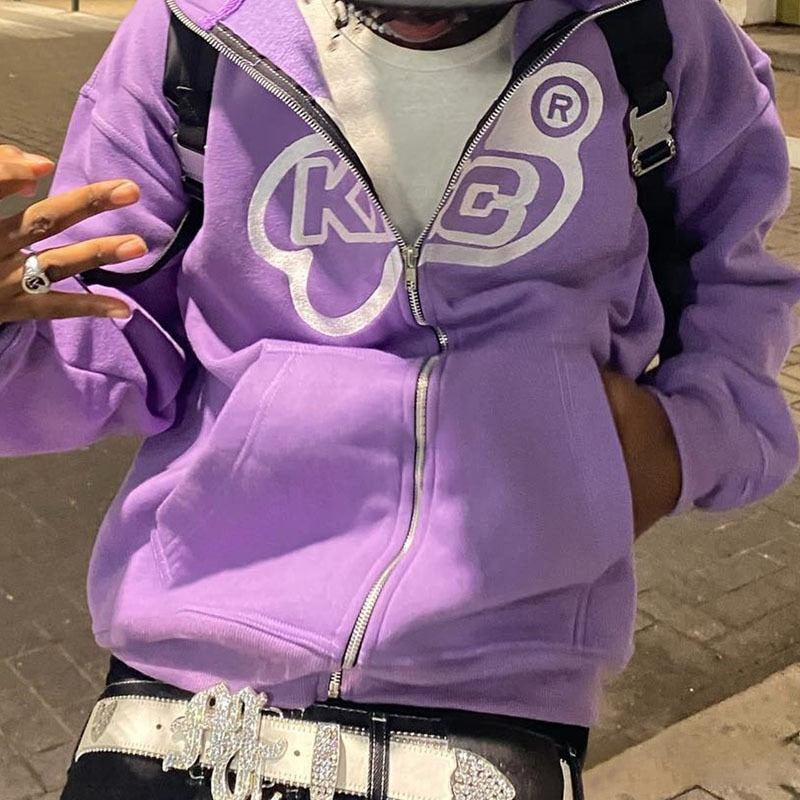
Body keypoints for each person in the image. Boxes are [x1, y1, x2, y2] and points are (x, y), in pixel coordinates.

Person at [0, 0, 797, 796]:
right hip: (182, 677)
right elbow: (99, 340)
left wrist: (689, 440)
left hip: (499, 686)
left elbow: (734, 268)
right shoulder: (191, 31)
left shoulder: (654, 29)